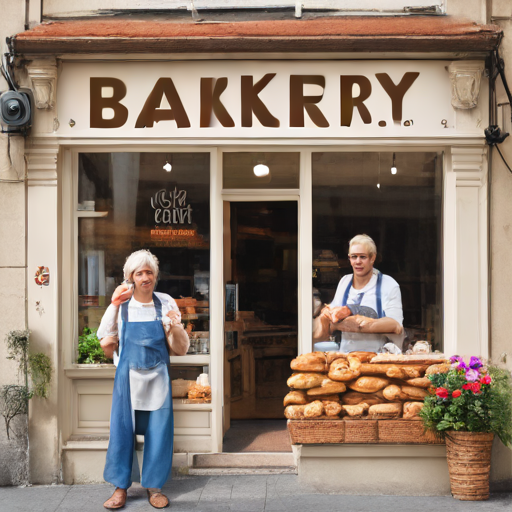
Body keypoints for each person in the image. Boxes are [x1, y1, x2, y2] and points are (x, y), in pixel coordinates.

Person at [98, 250, 189, 510]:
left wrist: (175, 327)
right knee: (122, 433)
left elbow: (180, 347)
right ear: (130, 277)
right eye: (139, 273)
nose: (145, 277)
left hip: (158, 378)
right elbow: (104, 336)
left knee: (158, 433)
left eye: (149, 272)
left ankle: (154, 487)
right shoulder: (121, 304)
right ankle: (120, 488)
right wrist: (114, 303)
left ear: (156, 276)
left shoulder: (166, 302)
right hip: (127, 380)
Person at [313, 234, 404, 353]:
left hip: (377, 358)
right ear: (349, 258)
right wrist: (327, 315)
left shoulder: (388, 285)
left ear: (373, 258)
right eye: (354, 257)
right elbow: (331, 317)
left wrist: (354, 321)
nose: (358, 262)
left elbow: (396, 326)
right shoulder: (345, 282)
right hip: (346, 357)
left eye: (363, 257)